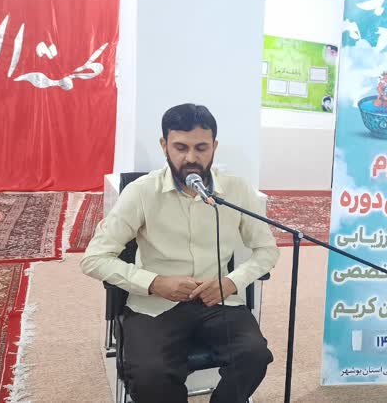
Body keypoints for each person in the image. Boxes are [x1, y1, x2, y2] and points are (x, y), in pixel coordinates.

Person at [80, 103, 279, 403]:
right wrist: (154, 282)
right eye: (180, 147)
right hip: (155, 304)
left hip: (218, 300)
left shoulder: (235, 191)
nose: (191, 158)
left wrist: (232, 282)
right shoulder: (141, 192)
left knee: (254, 356)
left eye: (201, 148)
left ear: (214, 146)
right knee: (151, 375)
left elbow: (267, 250)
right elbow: (94, 258)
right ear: (164, 145)